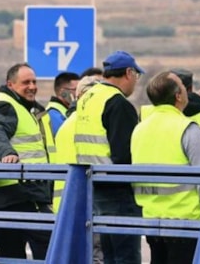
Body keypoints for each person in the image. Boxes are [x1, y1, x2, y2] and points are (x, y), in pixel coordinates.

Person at [131, 71, 200, 264]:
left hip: (151, 220)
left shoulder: (139, 129)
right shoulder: (188, 128)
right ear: (178, 96)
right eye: (183, 87)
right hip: (186, 222)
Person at [75, 50, 144, 264]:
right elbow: (124, 154)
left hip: (94, 183)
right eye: (136, 76)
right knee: (126, 254)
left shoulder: (88, 97)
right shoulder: (118, 103)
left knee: (110, 253)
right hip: (117, 188)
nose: (136, 82)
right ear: (129, 73)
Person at [0, 63, 52, 259]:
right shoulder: (6, 105)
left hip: (12, 192)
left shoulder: (21, 106)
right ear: (10, 84)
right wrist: (7, 152)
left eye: (34, 82)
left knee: (11, 251)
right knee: (50, 244)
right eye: (26, 82)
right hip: (22, 190)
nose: (32, 86)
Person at [53, 74, 104, 264]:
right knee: (95, 255)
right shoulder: (93, 124)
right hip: (90, 203)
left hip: (65, 204)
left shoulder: (66, 124)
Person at [40, 71, 79, 157]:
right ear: (63, 92)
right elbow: (68, 137)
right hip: (61, 161)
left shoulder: (64, 110)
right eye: (75, 90)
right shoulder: (53, 113)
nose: (79, 93)